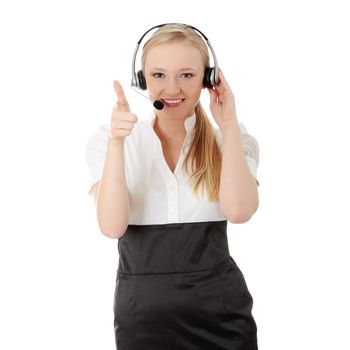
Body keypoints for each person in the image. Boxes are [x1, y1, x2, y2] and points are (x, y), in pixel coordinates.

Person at [85, 23, 260, 350]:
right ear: (141, 80)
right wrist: (116, 144)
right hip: (142, 320)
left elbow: (239, 211)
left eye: (187, 75)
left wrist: (229, 124)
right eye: (159, 75)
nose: (172, 89)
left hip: (222, 318)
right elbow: (112, 227)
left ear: (208, 79)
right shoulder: (112, 142)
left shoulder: (232, 139)